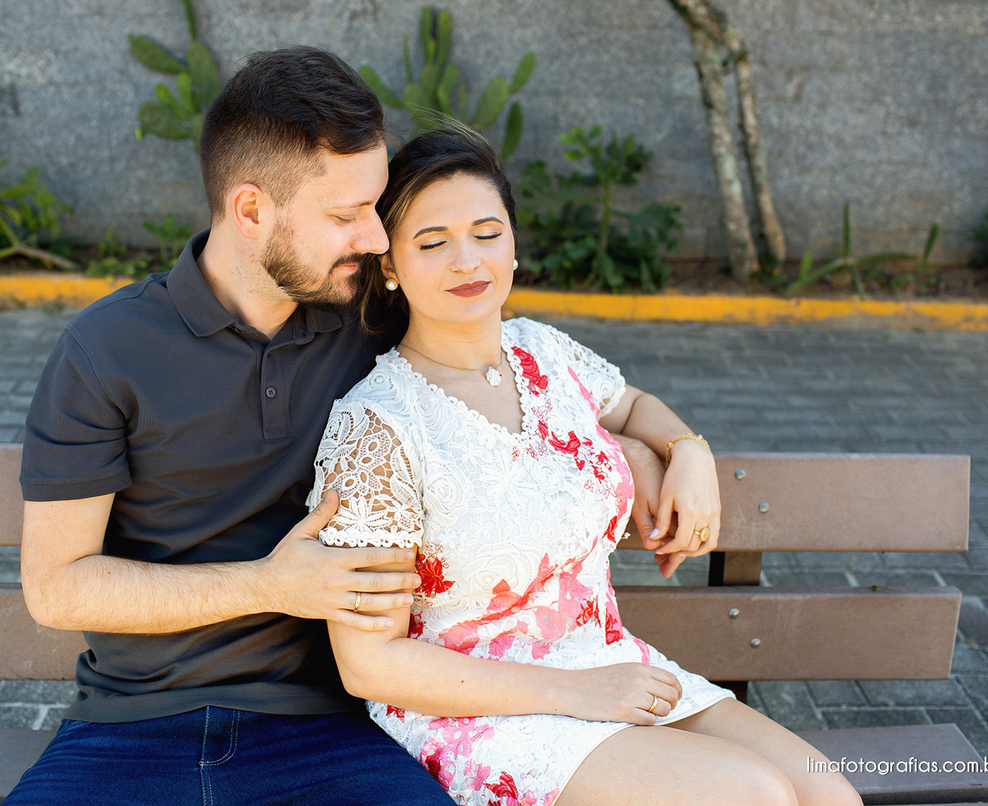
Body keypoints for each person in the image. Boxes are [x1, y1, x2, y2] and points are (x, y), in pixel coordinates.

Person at [307, 127, 863, 806]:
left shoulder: (544, 352)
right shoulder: (378, 425)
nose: (467, 261)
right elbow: (368, 662)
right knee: (753, 796)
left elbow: (631, 406)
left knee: (828, 795)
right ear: (389, 265)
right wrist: (574, 693)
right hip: (474, 713)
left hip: (608, 664)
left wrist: (688, 451)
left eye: (488, 232)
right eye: (432, 243)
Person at [6, 47, 462, 805]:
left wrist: (670, 443)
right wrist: (267, 585)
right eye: (346, 215)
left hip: (332, 730)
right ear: (252, 211)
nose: (377, 241)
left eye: (375, 209)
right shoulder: (105, 350)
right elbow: (56, 587)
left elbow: (529, 372)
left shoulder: (375, 321)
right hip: (128, 729)